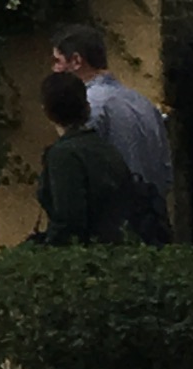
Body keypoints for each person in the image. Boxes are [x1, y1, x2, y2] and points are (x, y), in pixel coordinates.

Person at [50, 20, 173, 235]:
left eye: (58, 61)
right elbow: (165, 169)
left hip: (114, 231)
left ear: (77, 61)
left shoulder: (88, 106)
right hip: (154, 223)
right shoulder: (142, 103)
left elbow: (81, 175)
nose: (54, 69)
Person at [34, 69, 146, 245]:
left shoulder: (64, 155)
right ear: (86, 105)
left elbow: (69, 222)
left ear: (46, 110)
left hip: (87, 254)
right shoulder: (103, 147)